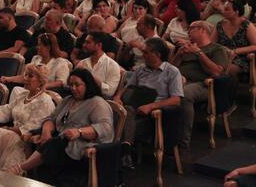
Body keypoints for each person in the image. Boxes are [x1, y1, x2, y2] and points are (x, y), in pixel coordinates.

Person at [9, 68, 114, 179]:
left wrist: (79, 131)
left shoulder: (97, 103)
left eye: (77, 85)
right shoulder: (68, 100)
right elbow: (52, 118)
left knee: (54, 144)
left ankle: (20, 168)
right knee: (45, 139)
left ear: (87, 84)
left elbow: (105, 128)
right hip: (61, 139)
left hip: (82, 144)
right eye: (71, 85)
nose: (73, 88)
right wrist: (46, 131)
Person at [0, 64, 56, 170]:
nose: (25, 79)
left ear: (41, 81)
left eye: (30, 76)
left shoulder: (45, 101)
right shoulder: (23, 95)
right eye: (25, 75)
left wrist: (9, 129)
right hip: (10, 134)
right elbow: (6, 110)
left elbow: (31, 129)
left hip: (24, 142)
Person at [114, 37, 183, 167]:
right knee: (118, 112)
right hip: (134, 106)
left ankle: (118, 154)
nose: (142, 55)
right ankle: (125, 152)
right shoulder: (141, 69)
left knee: (122, 118)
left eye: (146, 52)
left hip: (152, 114)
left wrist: (151, 106)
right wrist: (118, 96)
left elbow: (176, 99)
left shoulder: (172, 72)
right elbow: (127, 88)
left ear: (157, 54)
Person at [171, 20, 227, 147]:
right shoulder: (186, 47)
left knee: (184, 94)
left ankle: (183, 139)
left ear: (202, 30)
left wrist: (198, 53)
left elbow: (217, 72)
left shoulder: (216, 49)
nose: (188, 32)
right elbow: (170, 69)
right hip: (179, 80)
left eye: (191, 29)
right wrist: (179, 54)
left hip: (203, 84)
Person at [1, 33, 72, 90]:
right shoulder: (36, 59)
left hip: (48, 93)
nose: (37, 47)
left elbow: (61, 82)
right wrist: (9, 78)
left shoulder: (61, 62)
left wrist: (42, 86)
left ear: (48, 47)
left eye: (39, 44)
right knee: (15, 89)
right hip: (32, 90)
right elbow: (25, 77)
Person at [212, 0, 256, 77]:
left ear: (236, 12)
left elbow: (255, 46)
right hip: (223, 56)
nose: (223, 11)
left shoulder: (246, 25)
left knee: (227, 69)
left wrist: (236, 51)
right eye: (224, 9)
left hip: (242, 58)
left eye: (227, 9)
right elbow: (212, 44)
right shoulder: (219, 25)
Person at [77, 32, 122, 98]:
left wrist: (89, 76)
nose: (84, 45)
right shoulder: (82, 63)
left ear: (98, 45)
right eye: (84, 42)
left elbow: (110, 92)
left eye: (88, 43)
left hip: (99, 102)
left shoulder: (112, 66)